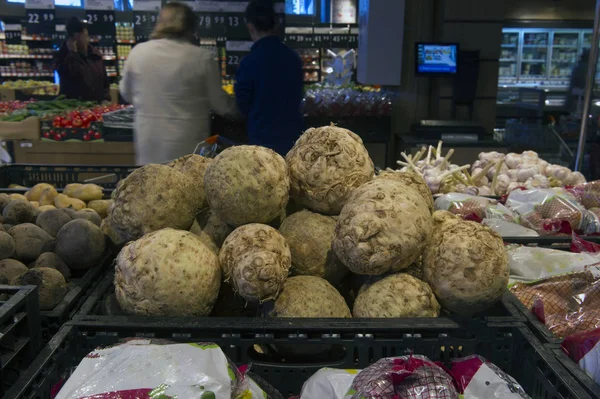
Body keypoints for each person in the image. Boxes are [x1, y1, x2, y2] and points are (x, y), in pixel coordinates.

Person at [120, 2, 236, 165]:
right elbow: (220, 104)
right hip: (187, 146)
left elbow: (126, 93)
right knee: (185, 187)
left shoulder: (138, 52)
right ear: (190, 27)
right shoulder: (201, 58)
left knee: (148, 186)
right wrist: (241, 109)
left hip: (150, 145)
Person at [235, 1, 304, 156]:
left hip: (262, 140)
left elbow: (242, 105)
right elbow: (299, 96)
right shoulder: (293, 58)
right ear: (275, 25)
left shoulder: (249, 62)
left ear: (250, 27)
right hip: (293, 138)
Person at [56, 17, 110, 102]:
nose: (82, 39)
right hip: (76, 111)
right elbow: (71, 75)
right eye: (76, 36)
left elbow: (105, 82)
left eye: (84, 35)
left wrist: (106, 99)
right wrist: (73, 53)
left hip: (97, 109)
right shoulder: (63, 57)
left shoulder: (95, 55)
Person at [566, 49, 590, 115]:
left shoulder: (579, 65)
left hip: (574, 96)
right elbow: (584, 81)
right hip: (578, 97)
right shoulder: (586, 67)